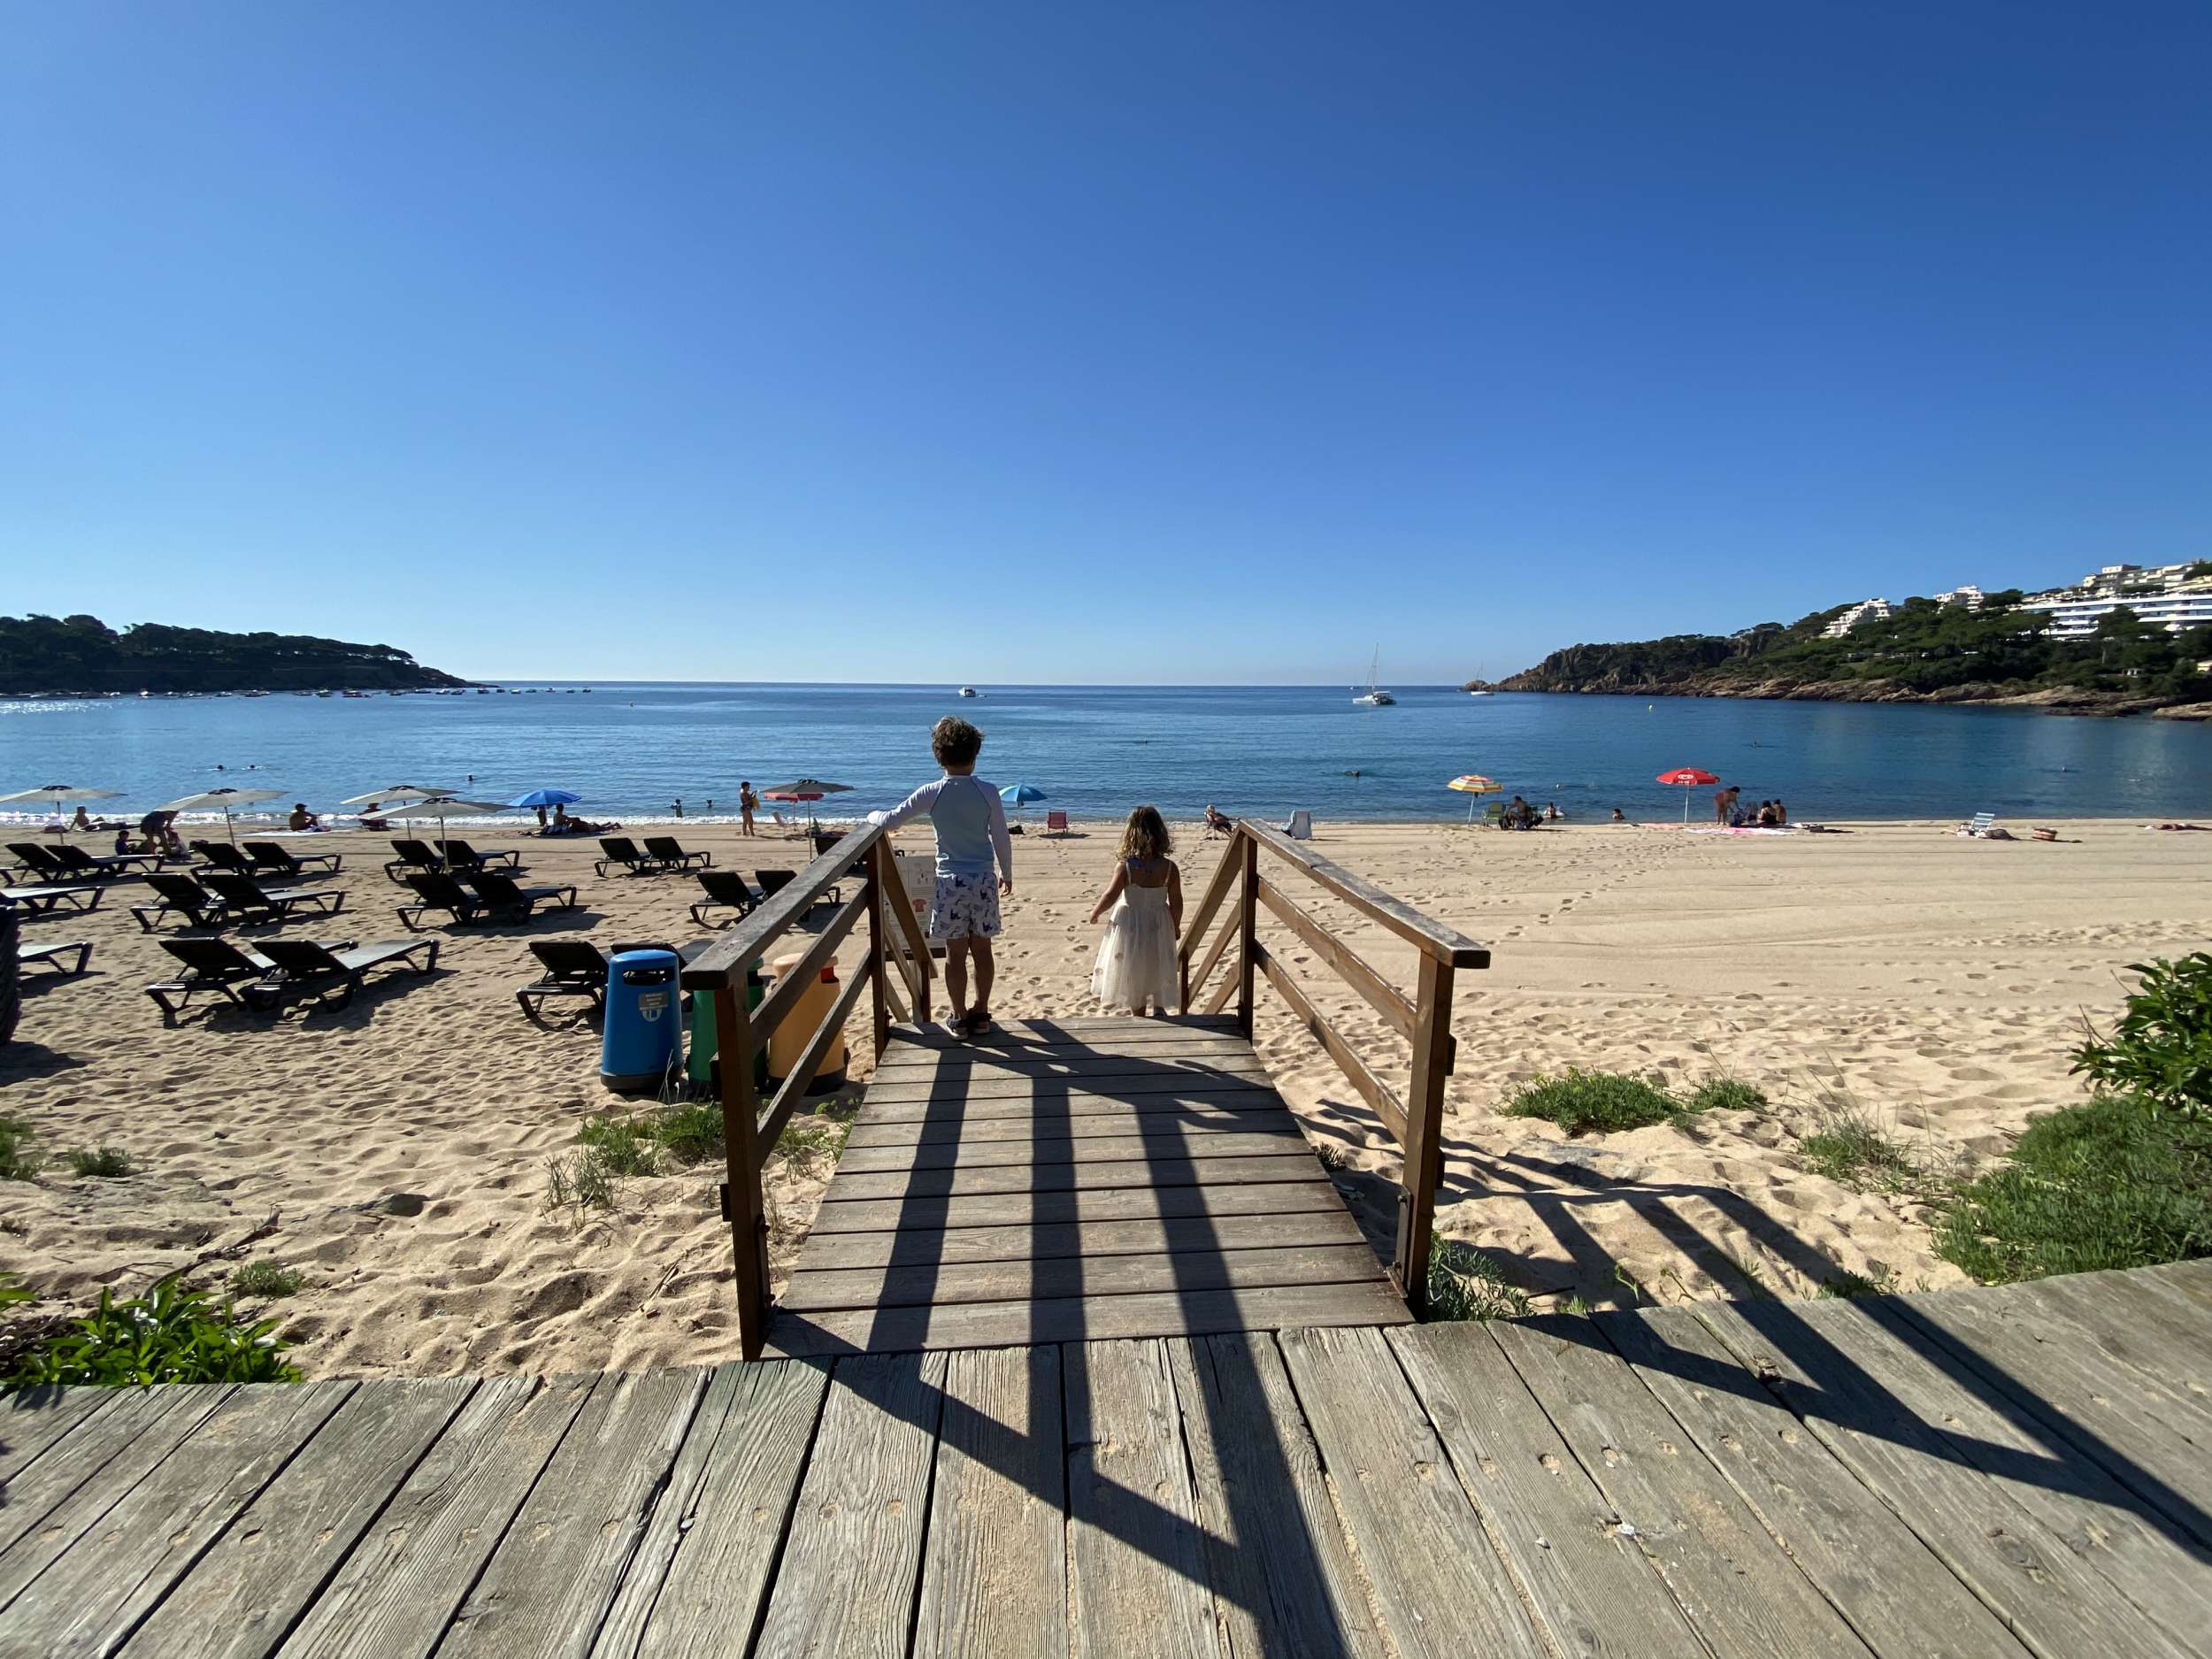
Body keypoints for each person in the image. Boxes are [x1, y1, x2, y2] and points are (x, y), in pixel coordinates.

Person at [870, 716, 1014, 1039]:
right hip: (982, 880)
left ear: (938, 755)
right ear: (975, 754)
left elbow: (891, 821)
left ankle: (959, 1015)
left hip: (951, 881)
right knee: (983, 950)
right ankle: (982, 1012)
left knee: (955, 953)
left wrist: (871, 816)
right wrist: (1007, 872)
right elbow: (1001, 836)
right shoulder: (988, 792)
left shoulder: (932, 792)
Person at [1088, 805, 1184, 1015]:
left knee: (1134, 968)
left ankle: (1139, 1013)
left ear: (1130, 833)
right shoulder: (1169, 868)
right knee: (1157, 961)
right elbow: (1176, 901)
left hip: (1131, 922)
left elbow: (1111, 895)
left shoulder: (1126, 867)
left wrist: (1096, 912)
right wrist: (1175, 926)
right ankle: (1159, 1008)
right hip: (1159, 921)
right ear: (1160, 833)